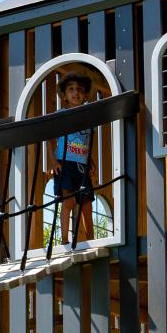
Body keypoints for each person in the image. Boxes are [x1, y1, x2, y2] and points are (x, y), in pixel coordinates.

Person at [48, 72, 98, 245]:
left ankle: (91, 239)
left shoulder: (88, 118)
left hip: (82, 164)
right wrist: (53, 161)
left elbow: (89, 139)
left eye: (79, 89)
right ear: (65, 95)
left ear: (84, 95)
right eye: (71, 89)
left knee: (86, 204)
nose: (75, 92)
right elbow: (49, 137)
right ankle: (63, 240)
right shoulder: (61, 114)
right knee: (68, 201)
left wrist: (90, 158)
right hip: (65, 163)